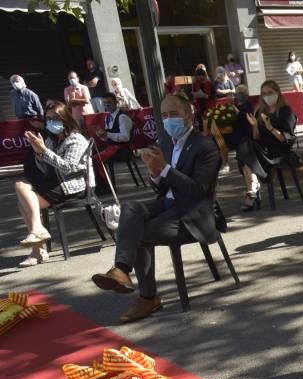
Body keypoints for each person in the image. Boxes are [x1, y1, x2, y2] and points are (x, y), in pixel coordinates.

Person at [91, 93, 221, 322]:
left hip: (193, 214)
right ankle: (121, 270)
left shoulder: (205, 147)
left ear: (188, 114)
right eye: (164, 116)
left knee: (137, 232)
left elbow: (198, 191)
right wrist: (154, 173)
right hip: (168, 204)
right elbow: (161, 188)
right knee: (131, 209)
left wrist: (164, 169)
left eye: (174, 114)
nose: (169, 120)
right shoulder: (167, 144)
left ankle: (148, 298)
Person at [15, 101, 93, 268]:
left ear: (65, 119)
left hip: (74, 185)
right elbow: (46, 165)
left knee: (25, 202)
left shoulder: (76, 139)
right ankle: (38, 232)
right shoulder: (53, 139)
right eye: (48, 119)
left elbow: (68, 168)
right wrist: (38, 152)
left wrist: (44, 151)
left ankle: (38, 251)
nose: (51, 123)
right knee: (21, 187)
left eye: (55, 119)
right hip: (56, 182)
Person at [236, 80, 297, 210]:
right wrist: (255, 126)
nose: (267, 96)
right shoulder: (260, 111)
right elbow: (257, 138)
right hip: (263, 149)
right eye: (264, 93)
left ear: (277, 93)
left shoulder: (285, 111)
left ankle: (252, 189)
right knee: (245, 143)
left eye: (270, 92)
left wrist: (270, 127)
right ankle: (253, 185)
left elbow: (285, 139)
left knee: (245, 151)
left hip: (278, 151)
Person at [94, 91, 134, 188]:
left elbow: (125, 137)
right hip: (112, 147)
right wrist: (102, 135)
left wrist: (107, 134)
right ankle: (101, 185)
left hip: (123, 149)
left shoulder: (122, 117)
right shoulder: (108, 117)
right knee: (92, 156)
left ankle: (106, 187)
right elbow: (109, 137)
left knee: (96, 159)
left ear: (116, 102)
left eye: (109, 102)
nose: (107, 105)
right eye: (105, 103)